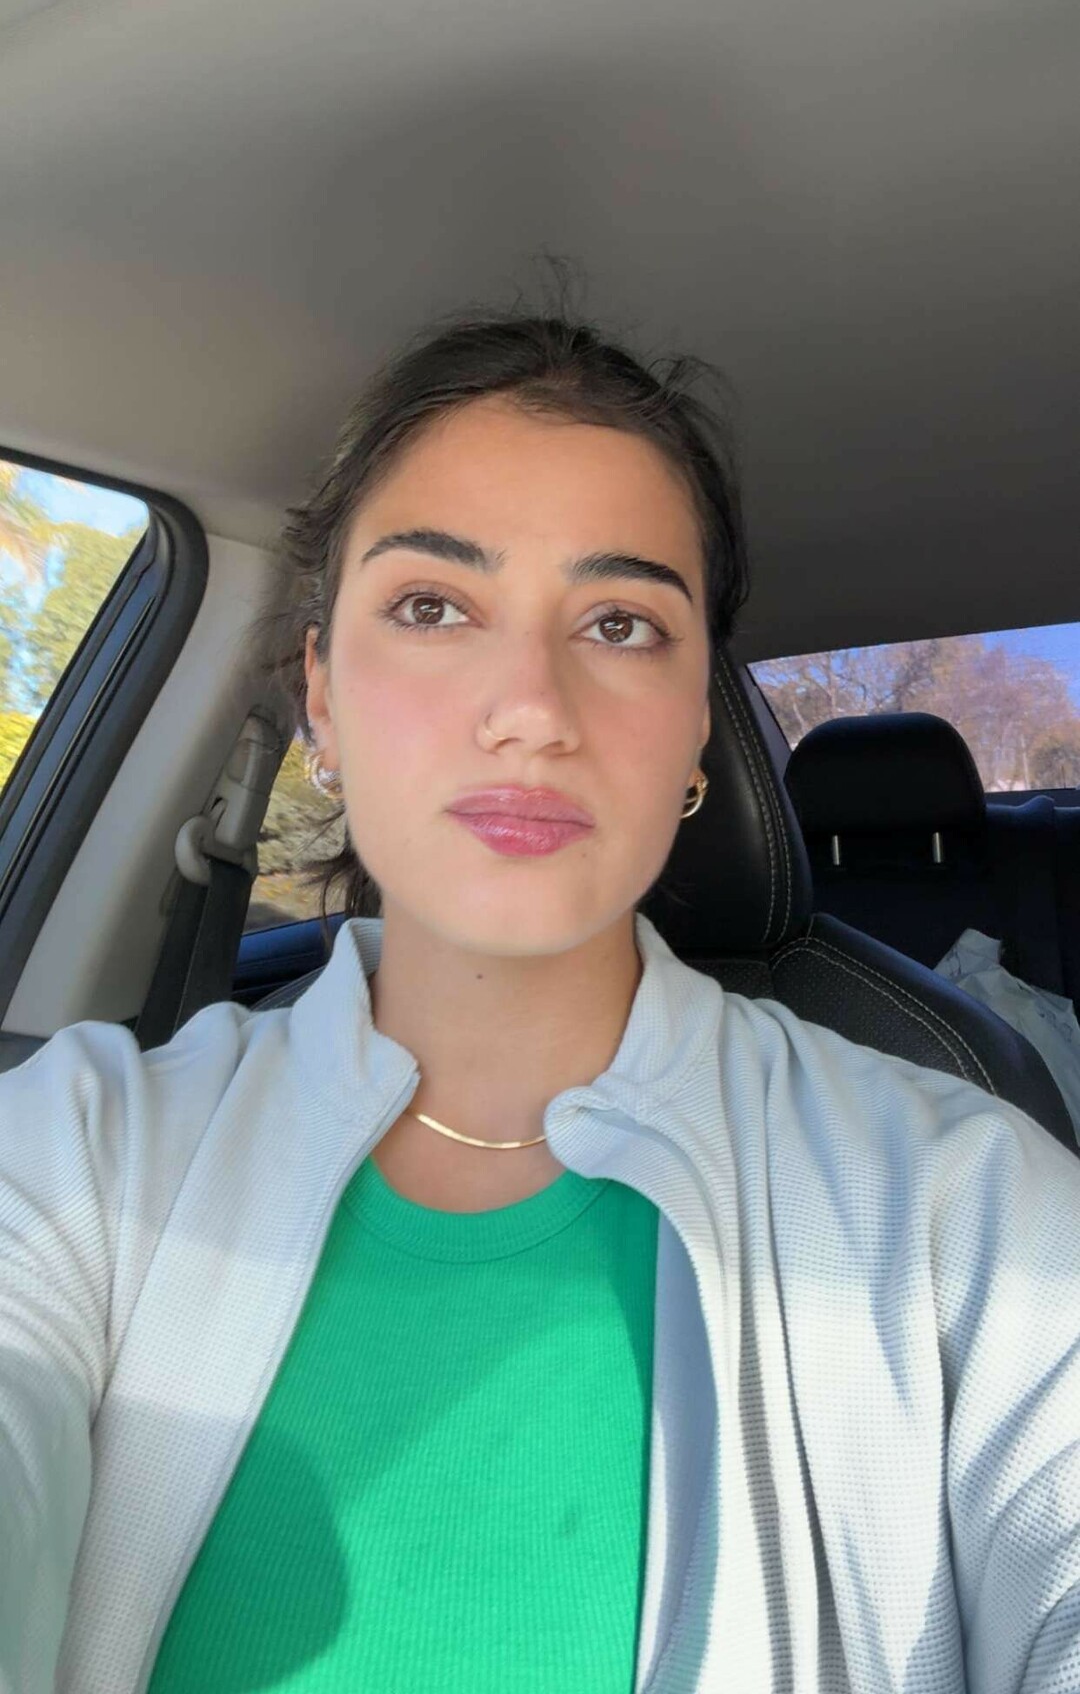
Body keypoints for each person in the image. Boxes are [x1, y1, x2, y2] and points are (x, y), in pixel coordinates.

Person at [1, 295, 1078, 1694]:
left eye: (620, 623)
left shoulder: (967, 1205)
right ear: (321, 696)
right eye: (432, 606)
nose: (530, 706)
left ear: (696, 728)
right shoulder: (76, 1145)